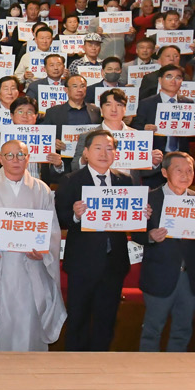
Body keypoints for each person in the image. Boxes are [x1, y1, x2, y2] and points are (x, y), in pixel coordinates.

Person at [0, 138, 65, 351]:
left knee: (29, 316)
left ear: (28, 159)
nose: (15, 159)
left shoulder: (42, 190)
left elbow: (52, 230)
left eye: (21, 155)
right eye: (9, 155)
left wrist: (43, 252)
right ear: (0, 159)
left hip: (31, 265)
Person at [54, 129, 145, 351]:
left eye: (109, 148)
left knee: (107, 319)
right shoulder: (71, 180)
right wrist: (75, 215)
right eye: (98, 148)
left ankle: (101, 362)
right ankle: (75, 364)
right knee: (78, 319)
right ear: (86, 152)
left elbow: (132, 218)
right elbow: (60, 217)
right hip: (82, 263)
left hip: (114, 262)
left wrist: (142, 214)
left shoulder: (125, 180)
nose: (104, 153)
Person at [139, 151, 195, 352]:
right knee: (152, 330)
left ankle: (176, 368)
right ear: (164, 172)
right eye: (179, 170)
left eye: (190, 170)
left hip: (189, 275)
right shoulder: (149, 199)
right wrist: (150, 235)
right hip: (159, 275)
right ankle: (146, 368)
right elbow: (136, 234)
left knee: (183, 329)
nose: (186, 175)